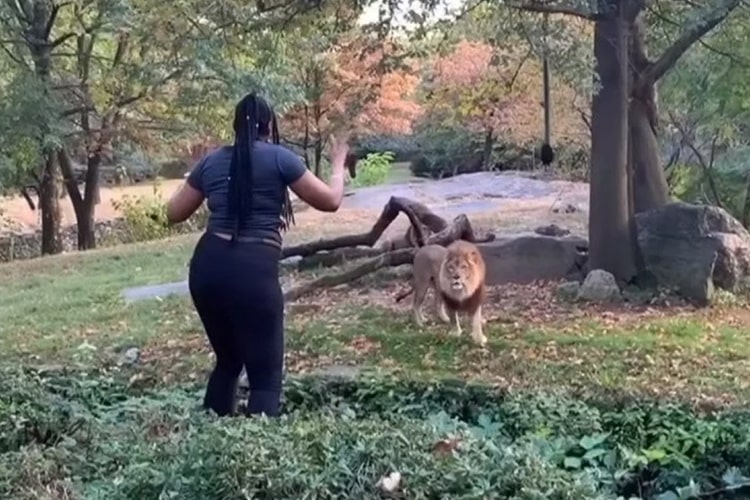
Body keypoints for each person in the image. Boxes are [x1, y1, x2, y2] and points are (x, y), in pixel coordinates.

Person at [165, 92, 350, 417]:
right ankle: (258, 454)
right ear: (268, 126)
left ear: (236, 126)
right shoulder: (281, 158)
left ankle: (212, 435)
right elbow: (331, 201)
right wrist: (337, 165)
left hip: (207, 269)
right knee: (265, 378)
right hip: (252, 271)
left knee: (229, 360)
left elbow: (173, 212)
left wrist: (204, 173)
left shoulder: (212, 160)